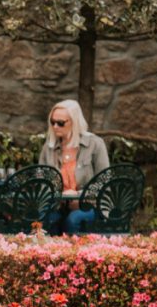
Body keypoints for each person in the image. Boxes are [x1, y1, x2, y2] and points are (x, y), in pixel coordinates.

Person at [38, 100, 110, 234]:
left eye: (60, 123)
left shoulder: (95, 144)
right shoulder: (48, 148)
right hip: (58, 206)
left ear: (74, 122)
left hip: (91, 206)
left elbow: (104, 183)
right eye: (52, 122)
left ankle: (76, 254)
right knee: (46, 219)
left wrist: (78, 195)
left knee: (73, 219)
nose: (55, 126)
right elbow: (42, 183)